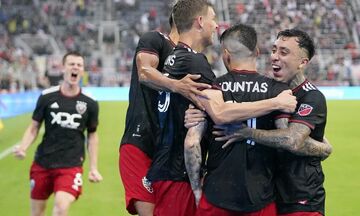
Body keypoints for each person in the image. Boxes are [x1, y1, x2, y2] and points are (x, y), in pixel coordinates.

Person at [215, 29, 330, 216]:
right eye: (274, 50)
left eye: (284, 52)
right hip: (269, 194)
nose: (275, 57)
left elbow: (292, 140)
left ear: (302, 62)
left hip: (301, 198)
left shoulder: (312, 97)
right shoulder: (270, 91)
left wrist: (247, 132)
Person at [118, 8, 212, 216]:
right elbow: (145, 72)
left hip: (170, 155)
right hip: (141, 142)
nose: (215, 25)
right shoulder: (155, 39)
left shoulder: (193, 58)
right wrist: (176, 85)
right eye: (211, 19)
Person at [145, 0, 218, 215]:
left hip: (165, 168)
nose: (216, 25)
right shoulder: (194, 62)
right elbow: (220, 110)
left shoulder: (173, 58)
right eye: (213, 19)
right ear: (200, 21)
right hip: (179, 175)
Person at [13, 51, 103, 216]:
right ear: (63, 68)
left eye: (79, 65)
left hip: (71, 165)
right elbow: (34, 127)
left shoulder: (90, 103)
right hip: (42, 163)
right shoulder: (47, 97)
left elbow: (92, 135)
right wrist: (23, 147)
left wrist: (93, 167)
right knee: (37, 213)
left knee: (61, 208)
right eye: (71, 64)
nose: (75, 67)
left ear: (82, 70)